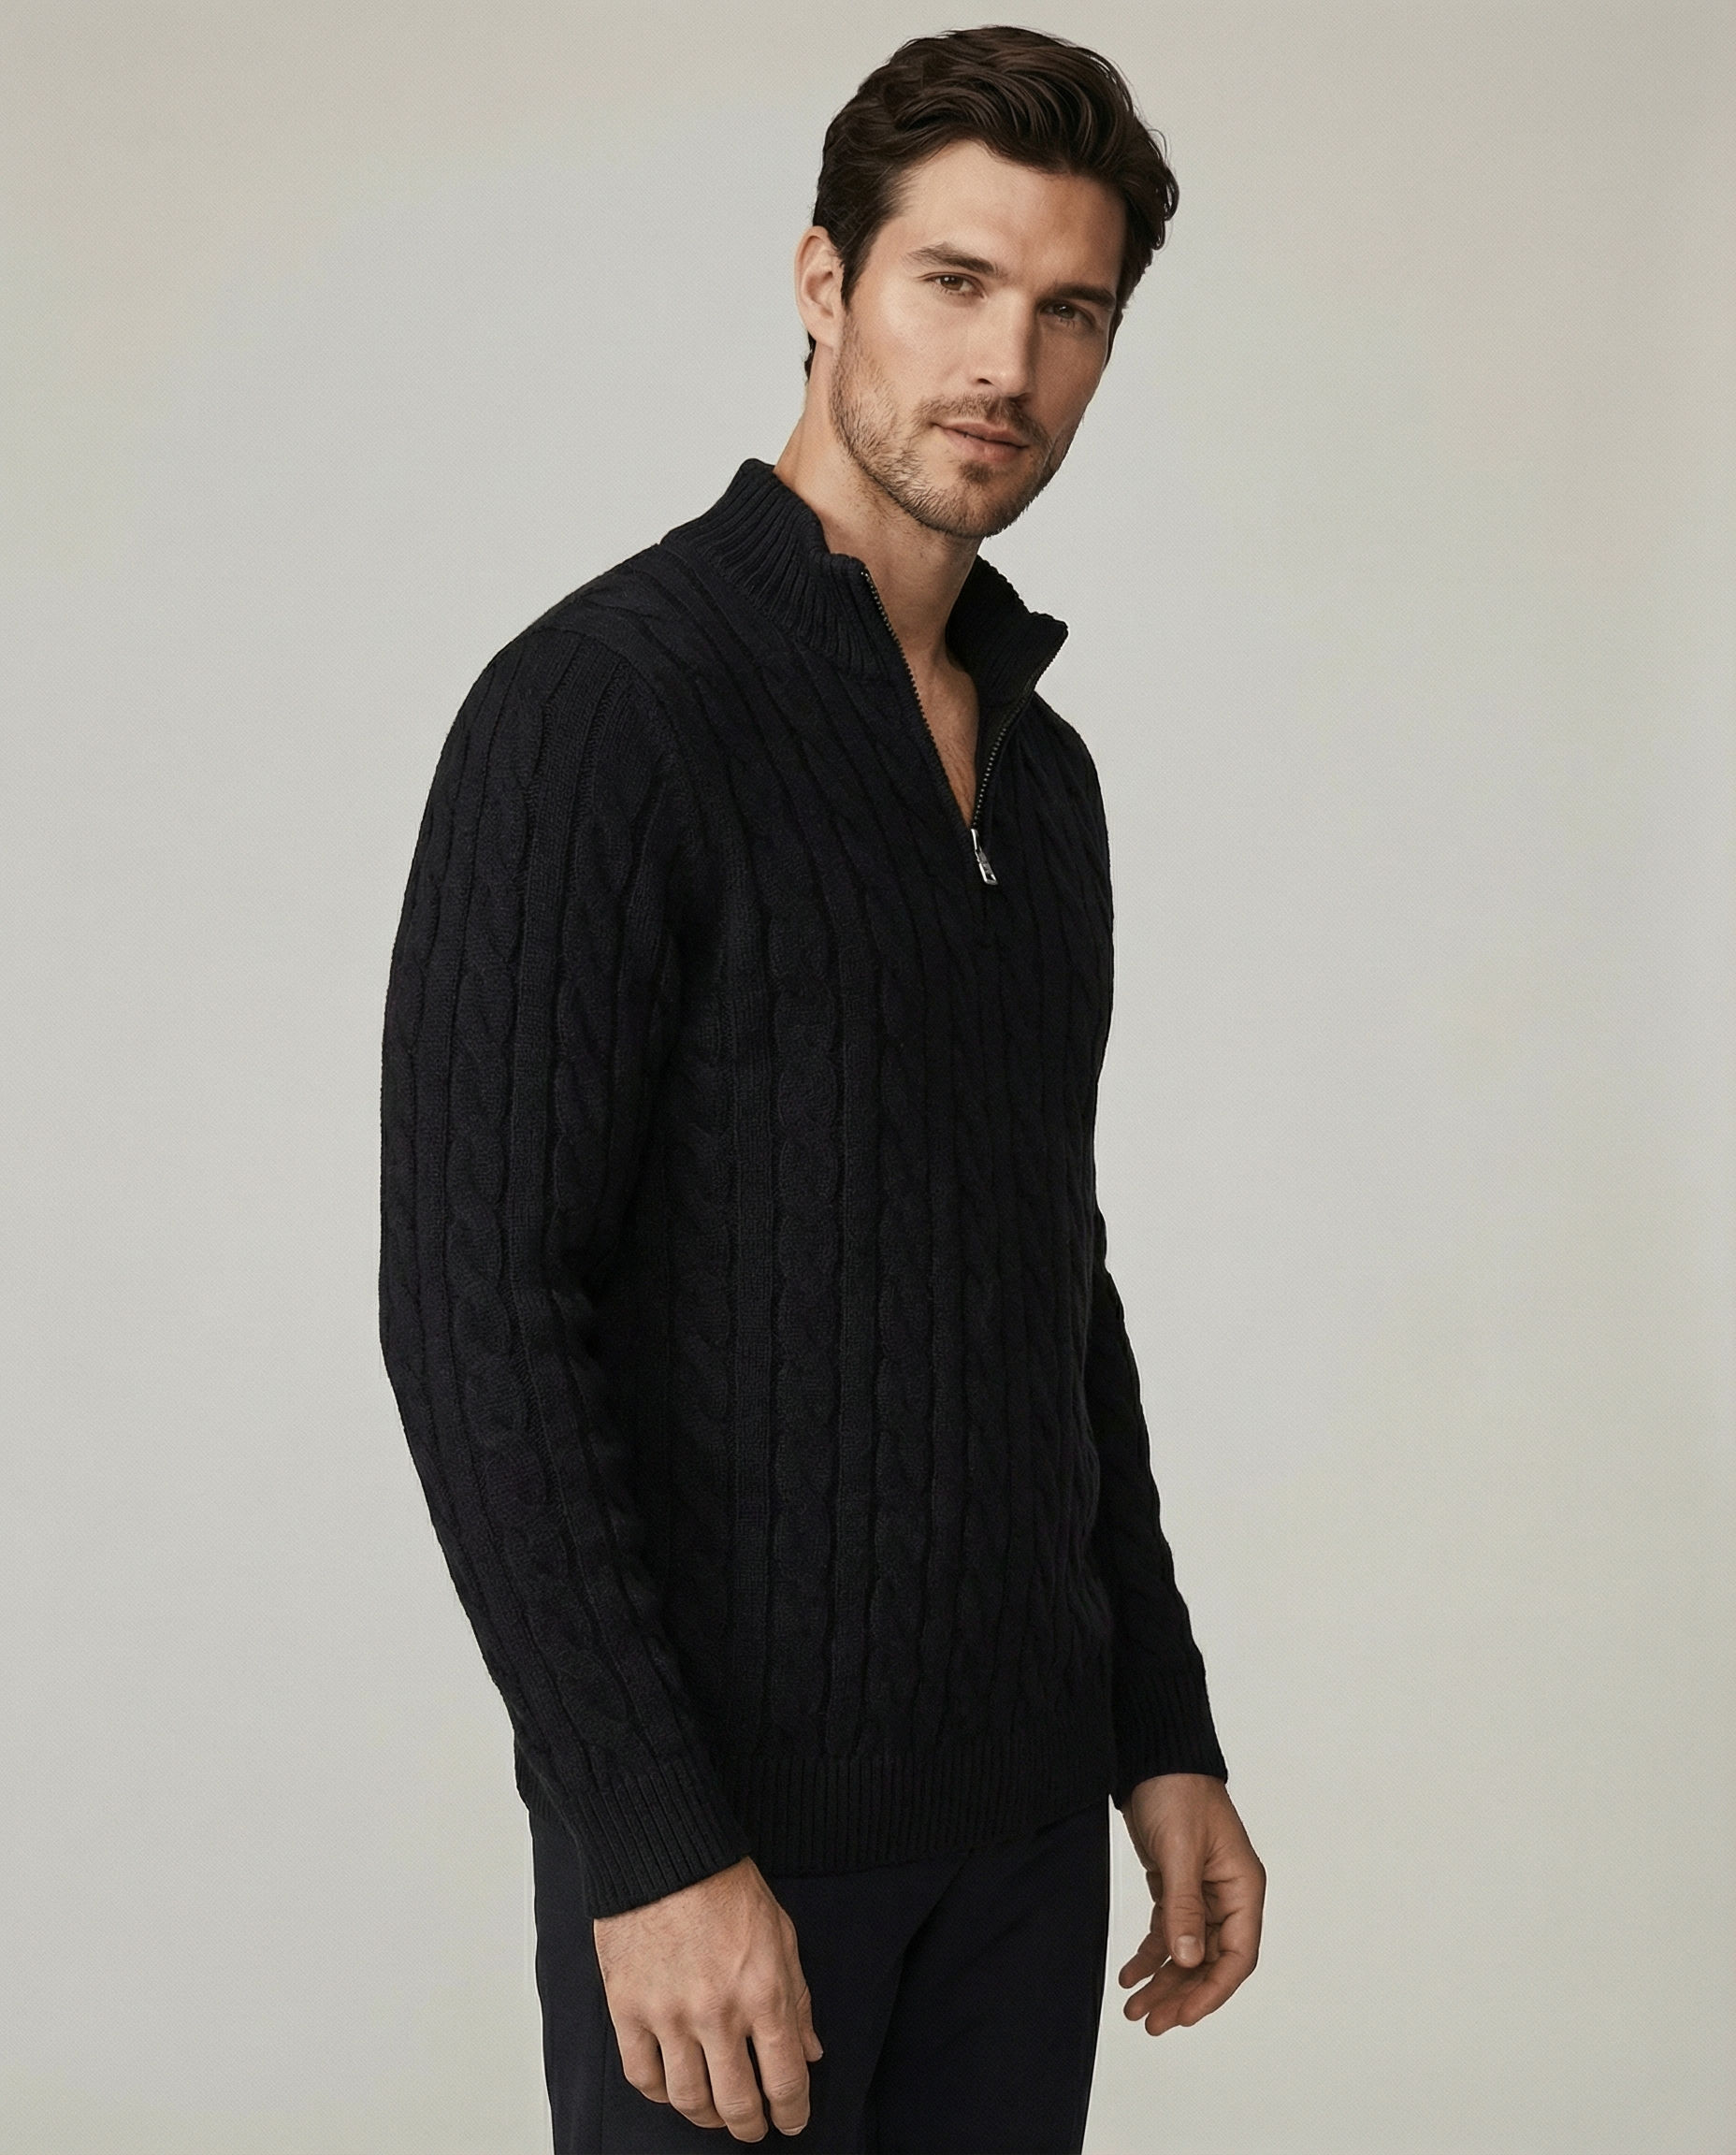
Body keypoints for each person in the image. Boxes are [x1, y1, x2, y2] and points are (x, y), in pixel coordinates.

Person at [379, 24, 1266, 2152]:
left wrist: (1159, 1723)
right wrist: (652, 1843)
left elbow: (1047, 1275)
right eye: (953, 282)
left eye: (1072, 312)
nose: (1007, 364)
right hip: (733, 1864)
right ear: (820, 281)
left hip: (1024, 1845)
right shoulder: (602, 711)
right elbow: (481, 1312)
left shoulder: (1041, 779)